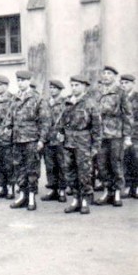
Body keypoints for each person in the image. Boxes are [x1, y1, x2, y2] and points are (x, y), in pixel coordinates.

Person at [6, 70, 50, 211]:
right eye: (18, 80)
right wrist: (7, 128)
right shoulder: (15, 98)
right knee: (19, 168)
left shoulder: (37, 98)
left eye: (23, 80)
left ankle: (31, 197)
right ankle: (22, 196)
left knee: (32, 169)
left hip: (31, 139)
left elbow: (45, 121)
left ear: (28, 81)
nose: (20, 83)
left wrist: (42, 140)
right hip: (17, 139)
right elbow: (9, 117)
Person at [58, 75, 102, 214]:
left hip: (83, 142)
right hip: (68, 142)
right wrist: (60, 132)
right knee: (70, 172)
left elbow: (97, 127)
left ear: (84, 86)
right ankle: (76, 199)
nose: (74, 88)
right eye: (72, 85)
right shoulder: (68, 101)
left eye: (77, 85)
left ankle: (85, 201)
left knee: (84, 172)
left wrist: (95, 146)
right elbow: (62, 120)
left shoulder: (90, 103)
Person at [94, 66, 133, 207]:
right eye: (104, 73)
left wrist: (127, 136)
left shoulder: (120, 92)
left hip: (116, 133)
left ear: (115, 76)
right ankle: (107, 191)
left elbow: (128, 115)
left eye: (109, 73)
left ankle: (116, 193)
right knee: (102, 164)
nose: (105, 76)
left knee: (116, 163)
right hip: (100, 134)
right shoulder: (97, 92)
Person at [41, 79, 68, 203]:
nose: (52, 90)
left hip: (59, 138)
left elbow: (67, 120)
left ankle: (62, 189)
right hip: (47, 138)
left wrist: (64, 134)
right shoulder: (45, 103)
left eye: (54, 88)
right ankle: (53, 189)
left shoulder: (64, 103)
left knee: (61, 164)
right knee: (50, 165)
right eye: (50, 88)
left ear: (59, 90)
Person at [121, 74, 138, 198]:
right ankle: (127, 185)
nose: (124, 85)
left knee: (136, 159)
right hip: (122, 132)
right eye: (122, 83)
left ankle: (136, 186)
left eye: (127, 83)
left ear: (133, 84)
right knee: (125, 159)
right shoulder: (120, 98)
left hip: (136, 133)